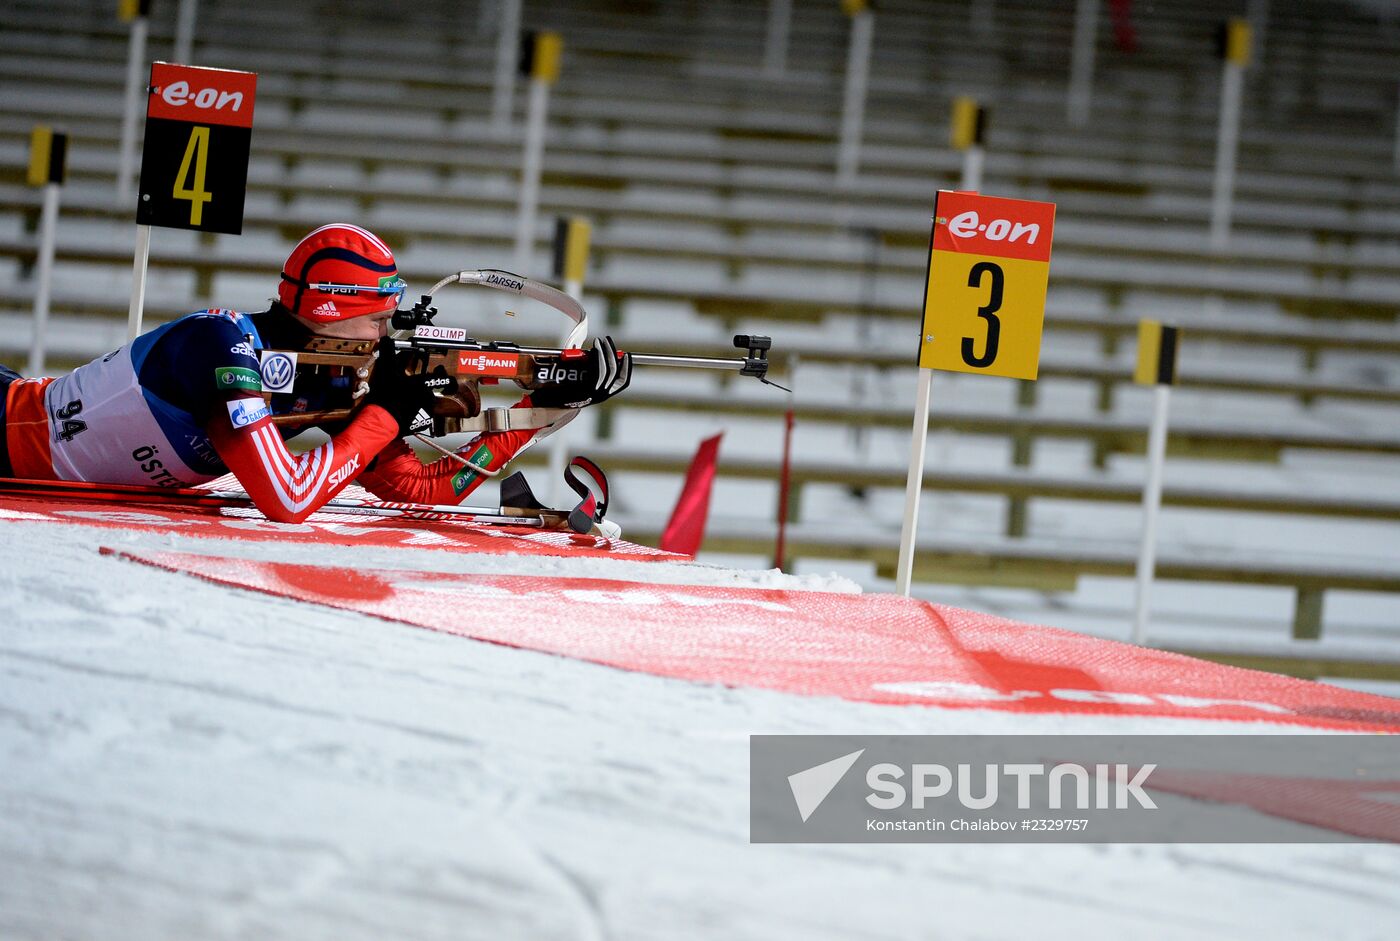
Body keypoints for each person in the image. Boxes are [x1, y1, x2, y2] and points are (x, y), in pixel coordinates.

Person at [0, 223, 629, 523]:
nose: (387, 335)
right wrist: (388, 409)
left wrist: (532, 415)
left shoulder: (336, 380)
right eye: (377, 320)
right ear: (331, 312)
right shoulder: (219, 345)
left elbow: (420, 490)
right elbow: (286, 499)